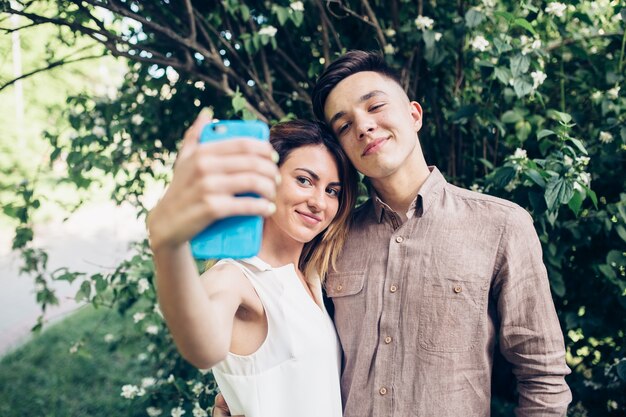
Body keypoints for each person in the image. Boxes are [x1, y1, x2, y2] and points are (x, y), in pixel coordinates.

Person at [215, 50, 572, 416]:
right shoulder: (327, 239)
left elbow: (542, 377)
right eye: (344, 125)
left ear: (414, 114)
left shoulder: (501, 226)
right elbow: (279, 352)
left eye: (375, 107)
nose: (364, 126)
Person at [147, 114, 358, 417]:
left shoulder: (310, 276)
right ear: (264, 179)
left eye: (332, 191)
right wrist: (168, 247)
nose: (318, 202)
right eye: (304, 180)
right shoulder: (236, 277)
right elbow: (203, 347)